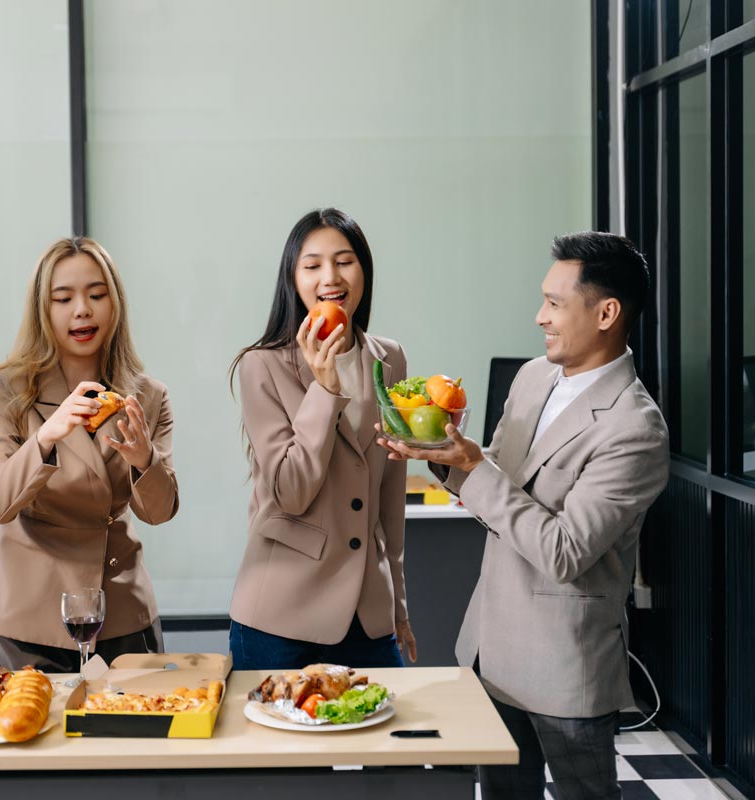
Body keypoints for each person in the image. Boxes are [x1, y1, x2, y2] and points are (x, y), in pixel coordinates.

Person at [378, 231, 669, 799]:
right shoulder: (532, 377)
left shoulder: (635, 427)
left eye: (555, 304)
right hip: (492, 649)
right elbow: (498, 486)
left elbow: (564, 552)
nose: (541, 317)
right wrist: (440, 455)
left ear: (607, 312)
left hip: (567, 666)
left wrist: (473, 467)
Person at [0, 236, 179, 671]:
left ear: (114, 304)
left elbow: (158, 513)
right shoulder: (5, 390)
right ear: (42, 311)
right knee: (36, 730)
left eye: (96, 295)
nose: (82, 309)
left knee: (134, 730)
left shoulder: (149, 396)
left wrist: (144, 460)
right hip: (32, 609)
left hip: (120, 605)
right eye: (62, 298)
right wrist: (46, 437)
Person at [227, 208, 416, 670]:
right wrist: (325, 388)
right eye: (312, 265)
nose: (330, 277)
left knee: (381, 740)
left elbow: (389, 498)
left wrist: (398, 606)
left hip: (367, 616)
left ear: (364, 271)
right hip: (280, 615)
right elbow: (290, 492)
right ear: (293, 279)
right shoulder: (262, 365)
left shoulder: (389, 359)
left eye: (344, 261)